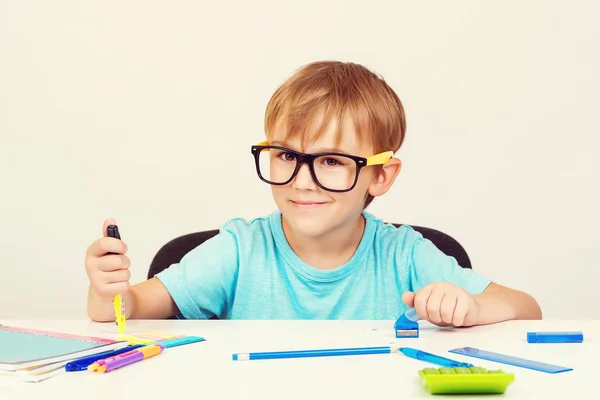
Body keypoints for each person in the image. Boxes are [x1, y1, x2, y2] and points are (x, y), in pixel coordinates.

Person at [85, 61, 542, 325]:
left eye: (330, 161)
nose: (302, 181)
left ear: (381, 177)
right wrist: (110, 295)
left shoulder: (405, 255)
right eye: (286, 156)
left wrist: (472, 305)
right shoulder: (241, 250)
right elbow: (130, 309)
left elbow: (527, 310)